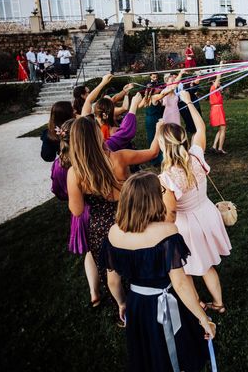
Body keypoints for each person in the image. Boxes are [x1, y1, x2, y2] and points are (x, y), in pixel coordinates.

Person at [99, 172, 215, 372]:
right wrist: (203, 318)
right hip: (168, 303)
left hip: (137, 304)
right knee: (177, 347)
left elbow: (113, 281)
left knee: (149, 351)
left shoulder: (113, 233)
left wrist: (122, 303)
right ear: (152, 200)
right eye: (161, 191)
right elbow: (180, 284)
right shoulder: (167, 232)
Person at [67, 116, 161, 307]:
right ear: (97, 136)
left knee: (112, 270)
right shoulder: (119, 157)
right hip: (129, 217)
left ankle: (123, 305)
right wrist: (158, 129)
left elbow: (76, 211)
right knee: (137, 257)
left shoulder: (75, 173)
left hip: (100, 227)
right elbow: (153, 152)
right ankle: (148, 295)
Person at [159, 91, 232, 314]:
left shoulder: (168, 176)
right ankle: (218, 303)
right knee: (207, 265)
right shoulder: (196, 155)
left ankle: (197, 302)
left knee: (185, 269)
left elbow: (170, 214)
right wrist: (189, 102)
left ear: (164, 145)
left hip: (187, 225)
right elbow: (200, 129)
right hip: (208, 213)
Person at [49, 118, 96, 303]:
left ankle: (94, 291)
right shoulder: (87, 161)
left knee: (90, 252)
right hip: (93, 209)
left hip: (77, 212)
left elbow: (57, 190)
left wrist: (69, 197)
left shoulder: (58, 165)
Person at [143, 73, 165, 166]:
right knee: (158, 137)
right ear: (154, 90)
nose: (158, 89)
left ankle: (152, 157)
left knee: (151, 138)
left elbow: (139, 105)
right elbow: (164, 93)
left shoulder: (147, 98)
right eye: (156, 89)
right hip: (155, 119)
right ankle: (158, 159)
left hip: (148, 119)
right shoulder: (155, 97)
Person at [209, 64, 227, 154]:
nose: (219, 82)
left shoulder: (216, 90)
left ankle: (214, 146)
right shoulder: (213, 87)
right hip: (217, 110)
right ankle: (220, 148)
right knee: (223, 128)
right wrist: (221, 66)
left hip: (217, 109)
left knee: (221, 128)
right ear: (213, 81)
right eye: (217, 81)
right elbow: (218, 77)